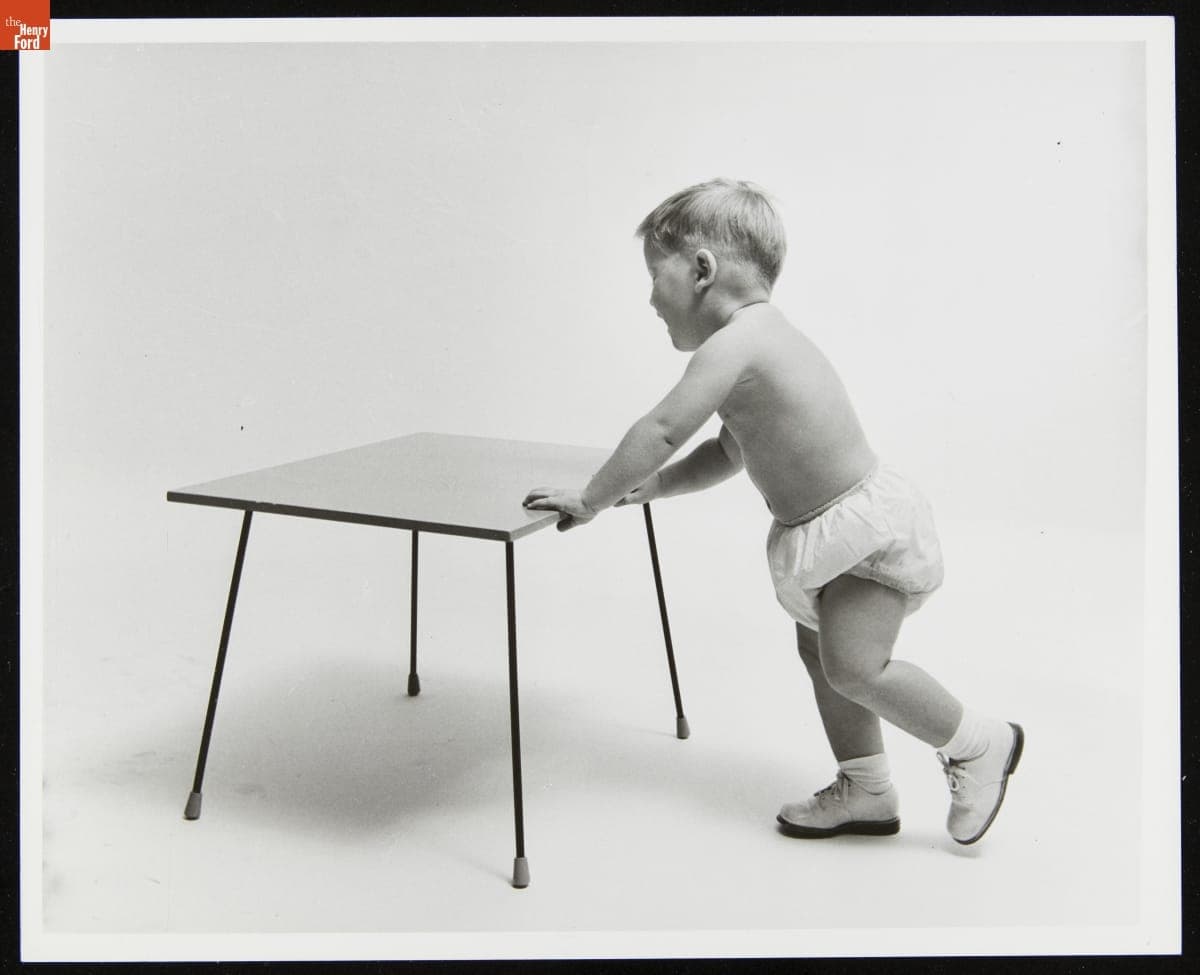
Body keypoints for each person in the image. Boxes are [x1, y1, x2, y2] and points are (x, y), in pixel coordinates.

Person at [523, 178, 1022, 845]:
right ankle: (867, 788)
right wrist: (654, 488)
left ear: (702, 269)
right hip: (825, 535)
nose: (649, 297)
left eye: (655, 275)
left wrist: (593, 496)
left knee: (854, 666)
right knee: (821, 657)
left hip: (862, 531)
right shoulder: (754, 346)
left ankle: (980, 741)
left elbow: (665, 425)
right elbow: (727, 450)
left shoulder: (738, 343)